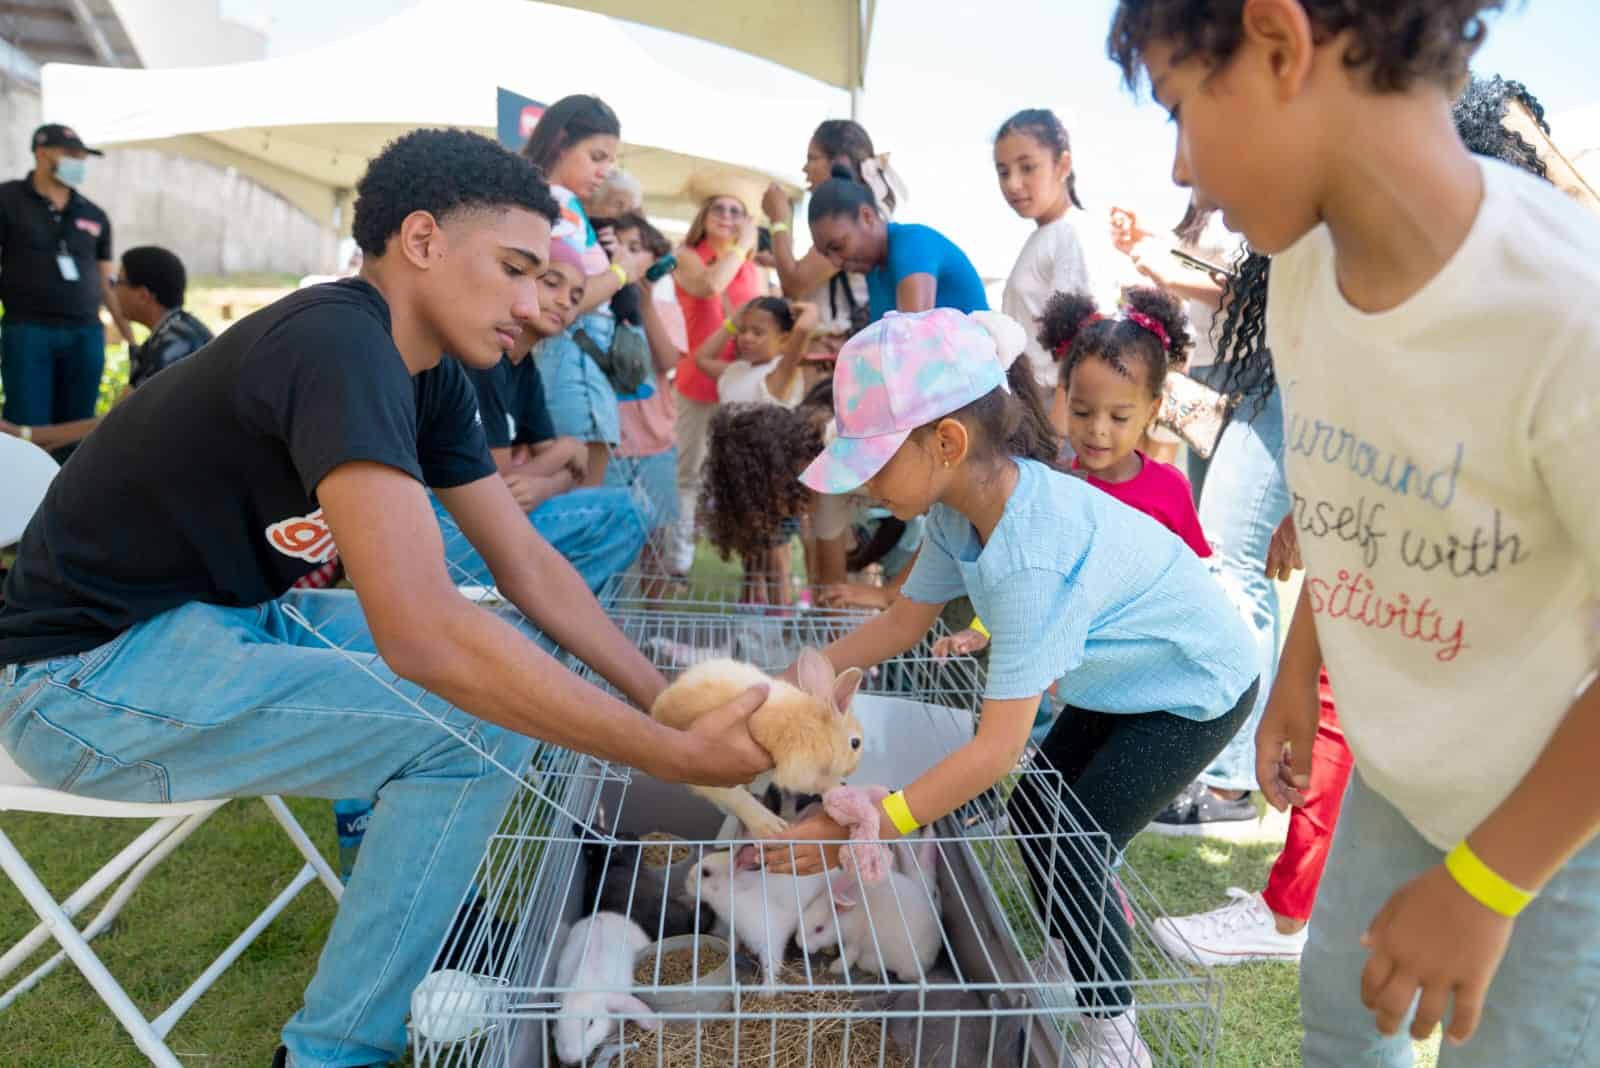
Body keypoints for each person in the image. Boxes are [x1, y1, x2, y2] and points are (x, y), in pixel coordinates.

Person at [0, 128, 772, 1068]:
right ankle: (332, 1052)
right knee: (471, 715)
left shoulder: (430, 371)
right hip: (80, 681)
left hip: (225, 623)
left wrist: (661, 697)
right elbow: (422, 637)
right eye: (515, 269)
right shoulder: (336, 342)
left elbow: (523, 563)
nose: (534, 306)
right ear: (421, 240)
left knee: (499, 658)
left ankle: (403, 877)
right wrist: (675, 752)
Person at [1111, 5, 1600, 1066]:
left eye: (1180, 107)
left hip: (1564, 826)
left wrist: (1487, 881)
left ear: (1281, 44)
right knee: (1344, 1018)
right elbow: (1356, 509)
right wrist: (1298, 666)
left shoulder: (1568, 312)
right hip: (1400, 770)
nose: (1183, 168)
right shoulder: (1299, 269)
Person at [765, 308, 1257, 1068]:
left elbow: (995, 752)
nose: (862, 480)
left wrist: (869, 823)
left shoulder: (1027, 556)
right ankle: (1076, 955)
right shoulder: (963, 515)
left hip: (1193, 686)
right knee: (1040, 811)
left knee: (1077, 838)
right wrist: (782, 696)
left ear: (947, 443)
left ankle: (1116, 1030)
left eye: (873, 457)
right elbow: (899, 625)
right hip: (1125, 676)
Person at [937, 286, 1211, 662]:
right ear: (1065, 397)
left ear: (1152, 409)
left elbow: (1193, 580)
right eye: (1082, 412)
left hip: (1145, 663)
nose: (1098, 430)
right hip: (1065, 667)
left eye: (1118, 417)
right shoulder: (1051, 488)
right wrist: (981, 629)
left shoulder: (1169, 490)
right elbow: (1025, 577)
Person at [995, 107, 1134, 434]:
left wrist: (1057, 430)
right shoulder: (1045, 234)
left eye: (1027, 167)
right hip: (1029, 402)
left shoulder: (1070, 233)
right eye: (1003, 172)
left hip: (1054, 408)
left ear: (1063, 165)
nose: (1013, 183)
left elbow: (1083, 335)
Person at [0, 244, 211, 452]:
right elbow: (115, 417)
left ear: (143, 295)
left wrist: (24, 435)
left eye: (117, 282)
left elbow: (116, 423)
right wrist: (35, 439)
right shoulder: (175, 333)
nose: (111, 290)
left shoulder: (171, 346)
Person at [0, 123, 132, 428]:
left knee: (77, 430)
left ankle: (69, 477)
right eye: (71, 153)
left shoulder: (93, 214)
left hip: (85, 334)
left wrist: (128, 335)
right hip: (28, 331)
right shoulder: (7, 200)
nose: (80, 162)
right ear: (42, 153)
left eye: (83, 156)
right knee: (28, 427)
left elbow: (106, 280)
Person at [667, 175, 764, 575]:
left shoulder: (751, 266)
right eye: (719, 208)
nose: (726, 216)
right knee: (690, 470)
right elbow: (710, 286)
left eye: (735, 211)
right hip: (699, 381)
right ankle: (678, 559)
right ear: (704, 215)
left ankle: (747, 559)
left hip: (741, 381)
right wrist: (742, 245)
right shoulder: (688, 255)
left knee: (741, 470)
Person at [762, 119, 905, 352]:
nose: (804, 169)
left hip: (838, 352)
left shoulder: (849, 218)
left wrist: (779, 219)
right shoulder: (864, 211)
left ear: (840, 162)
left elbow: (793, 283)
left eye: (812, 158)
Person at [807, 165, 987, 322]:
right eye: (826, 255)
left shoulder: (913, 243)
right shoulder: (874, 272)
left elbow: (911, 344)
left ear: (867, 217)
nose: (836, 262)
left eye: (838, 247)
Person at [603, 212, 684, 542]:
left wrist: (646, 302)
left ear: (655, 257)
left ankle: (655, 597)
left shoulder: (664, 306)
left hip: (656, 443)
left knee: (657, 541)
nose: (627, 255)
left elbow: (666, 361)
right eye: (619, 247)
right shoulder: (597, 307)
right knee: (605, 538)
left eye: (635, 247)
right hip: (608, 447)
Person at [532, 236, 623, 486]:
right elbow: (490, 484)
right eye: (551, 283)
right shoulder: (488, 366)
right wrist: (566, 450)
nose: (564, 301)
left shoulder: (525, 372)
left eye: (576, 298)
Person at [692, 296, 817, 408]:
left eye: (758, 333)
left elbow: (803, 329)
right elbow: (702, 358)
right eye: (742, 330)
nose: (747, 338)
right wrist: (733, 322)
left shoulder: (780, 372)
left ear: (784, 340)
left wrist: (810, 309)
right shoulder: (736, 370)